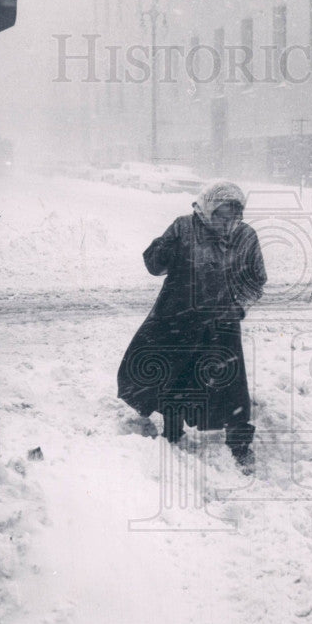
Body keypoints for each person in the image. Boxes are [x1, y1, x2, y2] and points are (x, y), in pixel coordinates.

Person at [117, 180, 267, 472]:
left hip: (222, 323)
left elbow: (256, 279)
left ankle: (239, 443)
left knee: (230, 387)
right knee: (175, 376)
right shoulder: (184, 227)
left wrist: (238, 306)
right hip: (177, 316)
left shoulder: (246, 236)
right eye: (223, 213)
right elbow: (154, 266)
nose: (228, 221)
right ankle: (171, 431)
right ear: (209, 207)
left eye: (235, 214)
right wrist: (163, 246)